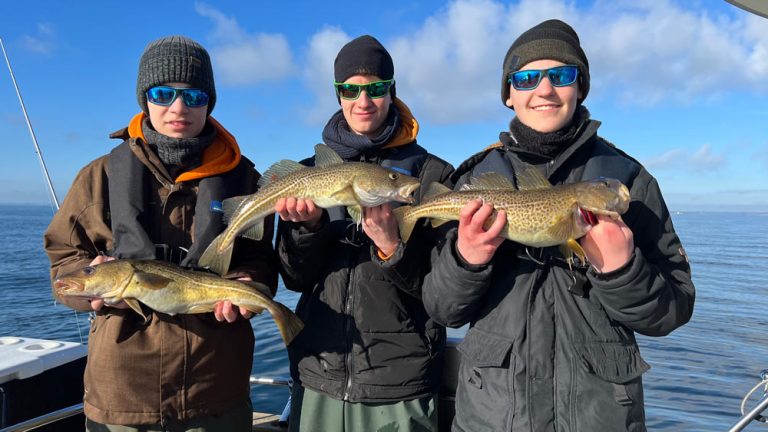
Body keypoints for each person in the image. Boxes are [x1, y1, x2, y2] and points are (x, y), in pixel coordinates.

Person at [422, 19, 696, 432]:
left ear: (580, 86)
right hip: (492, 417)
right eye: (527, 78)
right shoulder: (475, 179)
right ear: (509, 94)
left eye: (561, 75)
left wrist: (622, 271)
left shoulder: (630, 179)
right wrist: (467, 260)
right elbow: (442, 309)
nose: (544, 89)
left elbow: (673, 310)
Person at [44, 35, 277, 431]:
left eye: (195, 96)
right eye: (163, 93)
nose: (178, 107)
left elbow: (260, 258)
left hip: (216, 387)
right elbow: (63, 262)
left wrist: (249, 284)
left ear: (210, 101)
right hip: (122, 391)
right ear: (144, 98)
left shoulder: (246, 180)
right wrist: (93, 285)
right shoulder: (98, 176)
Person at [274, 35, 454, 432]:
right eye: (350, 89)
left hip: (399, 384)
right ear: (338, 94)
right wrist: (308, 229)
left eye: (375, 88)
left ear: (391, 91)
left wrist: (392, 247)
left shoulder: (431, 176)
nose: (363, 100)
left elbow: (445, 293)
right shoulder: (307, 173)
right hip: (317, 371)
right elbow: (294, 278)